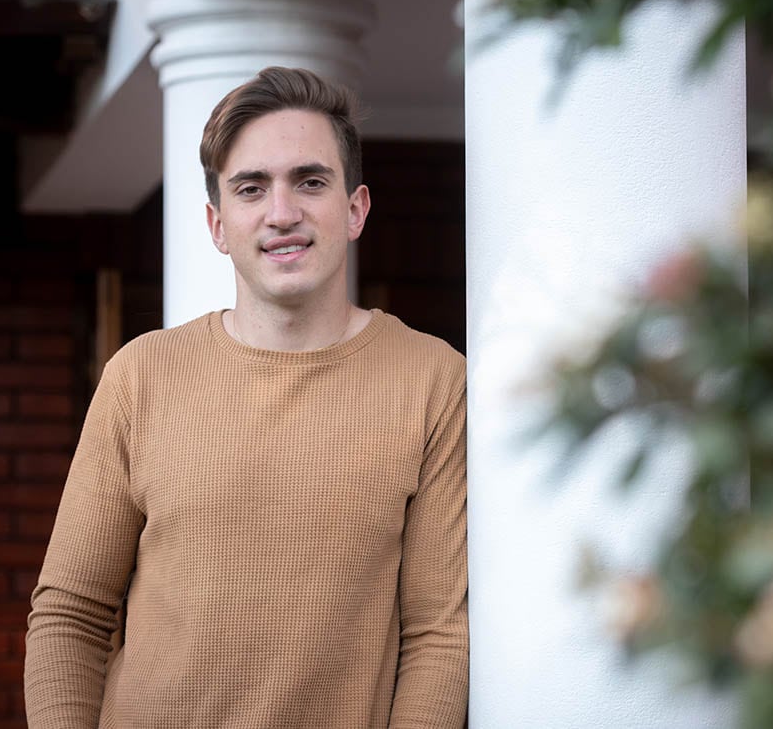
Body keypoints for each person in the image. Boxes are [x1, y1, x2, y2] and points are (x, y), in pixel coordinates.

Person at [24, 66, 469, 728]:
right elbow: (70, 612)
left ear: (355, 209)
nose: (281, 212)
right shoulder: (139, 376)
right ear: (217, 222)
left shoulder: (433, 381)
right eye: (251, 188)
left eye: (310, 181)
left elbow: (438, 634)